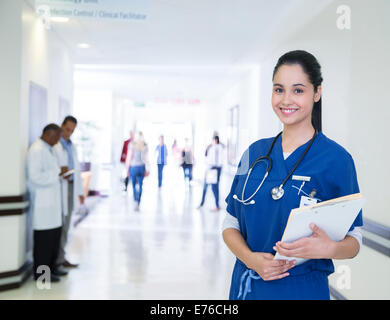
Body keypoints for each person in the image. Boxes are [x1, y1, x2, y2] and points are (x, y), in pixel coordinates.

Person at [222, 50, 363, 300]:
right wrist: (251, 259)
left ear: (317, 93)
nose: (286, 100)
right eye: (279, 89)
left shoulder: (337, 160)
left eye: (298, 90)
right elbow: (230, 223)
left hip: (302, 289)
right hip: (248, 286)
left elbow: (355, 239)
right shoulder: (253, 153)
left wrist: (330, 248)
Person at [27, 124, 68, 282]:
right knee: (43, 245)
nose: (58, 141)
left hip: (51, 206)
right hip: (43, 206)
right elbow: (35, 176)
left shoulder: (47, 149)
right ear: (48, 134)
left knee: (52, 242)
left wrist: (58, 173)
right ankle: (42, 276)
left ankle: (51, 271)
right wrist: (57, 172)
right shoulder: (37, 150)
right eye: (57, 137)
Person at [53, 116, 84, 270]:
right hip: (60, 188)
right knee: (59, 225)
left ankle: (61, 257)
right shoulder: (55, 145)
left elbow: (76, 169)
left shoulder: (71, 145)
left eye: (72, 131)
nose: (69, 133)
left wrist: (80, 192)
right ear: (62, 125)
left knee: (66, 224)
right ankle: (56, 260)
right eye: (67, 129)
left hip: (70, 186)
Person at [198, 135, 224, 211]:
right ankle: (203, 203)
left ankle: (216, 205)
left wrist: (212, 169)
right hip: (213, 169)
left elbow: (215, 161)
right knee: (210, 187)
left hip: (214, 169)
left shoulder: (216, 148)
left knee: (213, 187)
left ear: (215, 140)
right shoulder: (216, 147)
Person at [127, 132, 149, 211]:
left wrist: (127, 169)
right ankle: (138, 202)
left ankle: (135, 201)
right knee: (140, 185)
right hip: (141, 167)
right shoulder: (145, 145)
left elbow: (129, 157)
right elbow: (146, 159)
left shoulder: (132, 144)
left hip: (133, 167)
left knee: (133, 185)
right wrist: (148, 169)